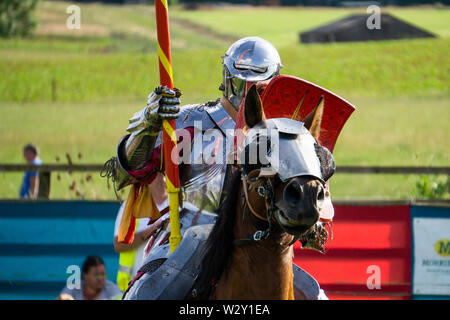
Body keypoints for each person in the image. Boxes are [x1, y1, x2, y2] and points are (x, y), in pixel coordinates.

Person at [107, 37, 283, 244]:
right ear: (227, 79)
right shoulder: (190, 121)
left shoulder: (282, 133)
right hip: (190, 239)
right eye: (240, 83)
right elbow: (123, 173)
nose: (247, 93)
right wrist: (149, 122)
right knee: (156, 277)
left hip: (262, 246)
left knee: (302, 279)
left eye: (257, 87)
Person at [113, 181, 169, 292]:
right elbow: (119, 245)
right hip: (134, 287)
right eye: (157, 174)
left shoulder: (183, 207)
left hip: (167, 285)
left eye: (164, 174)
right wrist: (153, 229)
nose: (161, 179)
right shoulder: (131, 206)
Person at [58, 256, 122, 300]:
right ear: (85, 275)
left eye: (103, 274)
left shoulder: (112, 289)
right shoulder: (75, 287)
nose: (100, 279)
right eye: (96, 275)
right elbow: (62, 297)